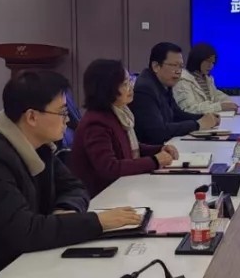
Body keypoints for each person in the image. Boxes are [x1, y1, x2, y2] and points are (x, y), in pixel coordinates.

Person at [0, 70, 142, 278]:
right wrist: (99, 221)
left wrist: (66, 211)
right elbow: (24, 232)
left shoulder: (37, 144)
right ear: (32, 117)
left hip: (17, 261)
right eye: (62, 112)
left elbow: (74, 187)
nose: (67, 120)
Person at [69, 59, 181, 197]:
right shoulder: (96, 123)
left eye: (130, 81)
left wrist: (159, 149)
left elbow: (128, 148)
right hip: (102, 196)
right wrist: (155, 161)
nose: (131, 87)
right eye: (124, 84)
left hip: (122, 188)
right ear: (106, 89)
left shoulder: (117, 112)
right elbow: (109, 168)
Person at [131, 42, 219, 145]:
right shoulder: (145, 89)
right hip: (153, 150)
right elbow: (157, 132)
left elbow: (176, 114)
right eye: (173, 65)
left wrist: (203, 117)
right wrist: (197, 124)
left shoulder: (164, 83)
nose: (178, 71)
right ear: (156, 66)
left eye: (181, 66)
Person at [175, 43, 239, 116]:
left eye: (213, 62)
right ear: (197, 59)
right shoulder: (182, 81)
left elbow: (216, 96)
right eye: (208, 61)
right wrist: (220, 106)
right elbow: (189, 109)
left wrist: (230, 103)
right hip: (196, 122)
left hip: (210, 119)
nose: (211, 66)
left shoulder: (207, 79)